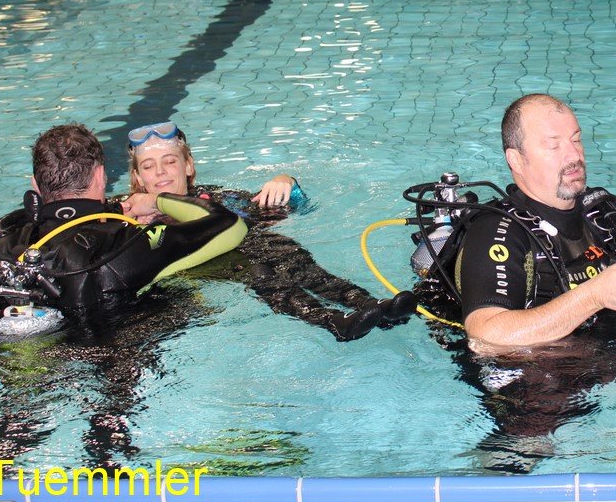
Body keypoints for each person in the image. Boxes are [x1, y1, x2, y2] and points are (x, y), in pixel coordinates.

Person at [455, 94, 616, 350]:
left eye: (576, 140)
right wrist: (594, 296)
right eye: (553, 145)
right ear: (516, 159)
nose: (573, 156)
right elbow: (486, 335)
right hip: (542, 380)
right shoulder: (497, 231)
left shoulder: (607, 212)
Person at [120, 121, 414, 342]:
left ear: (188, 166)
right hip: (211, 269)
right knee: (259, 271)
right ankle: (335, 321)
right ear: (137, 177)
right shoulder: (125, 218)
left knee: (291, 256)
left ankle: (372, 306)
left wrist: (286, 182)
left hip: (262, 247)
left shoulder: (219, 199)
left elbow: (293, 206)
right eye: (148, 166)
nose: (160, 172)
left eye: (169, 161)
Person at [0, 123, 246, 334]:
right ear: (101, 176)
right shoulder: (124, 246)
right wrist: (157, 200)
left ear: (35, 186)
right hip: (108, 369)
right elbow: (228, 225)